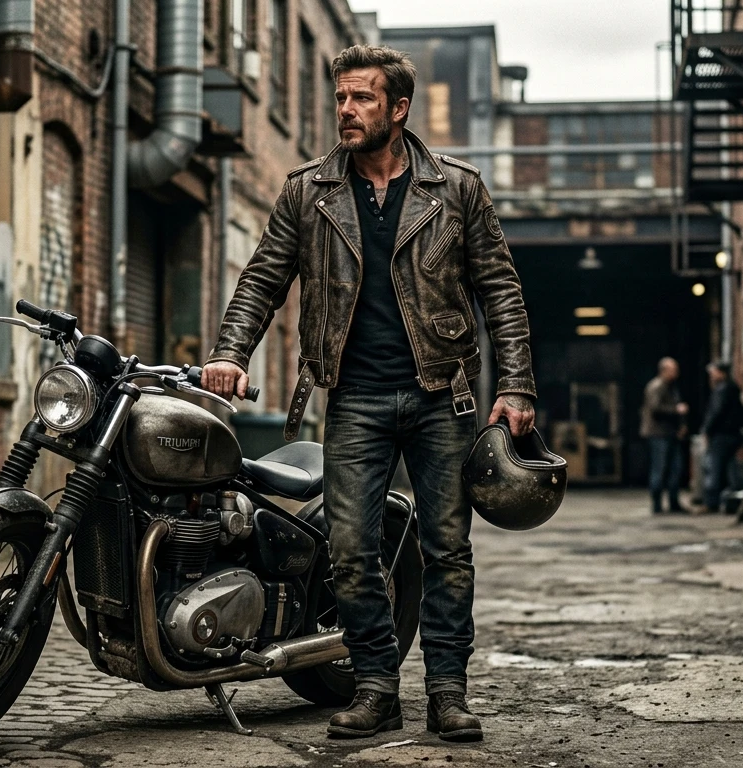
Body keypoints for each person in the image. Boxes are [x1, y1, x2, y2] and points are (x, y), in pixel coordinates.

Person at [199, 44, 536, 742]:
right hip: (351, 396)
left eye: (361, 99)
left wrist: (517, 385)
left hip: (443, 396)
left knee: (447, 549)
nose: (346, 112)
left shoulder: (457, 189)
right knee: (349, 549)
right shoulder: (308, 191)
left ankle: (447, 690)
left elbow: (500, 290)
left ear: (398, 108)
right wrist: (230, 352)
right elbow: (264, 277)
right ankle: (376, 684)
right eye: (341, 99)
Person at [641, 357, 687, 514]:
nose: (676, 373)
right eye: (673, 370)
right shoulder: (657, 386)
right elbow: (655, 408)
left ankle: (674, 503)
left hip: (670, 433)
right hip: (658, 434)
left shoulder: (671, 386)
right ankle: (657, 505)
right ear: (664, 370)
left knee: (676, 468)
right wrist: (676, 410)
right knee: (659, 469)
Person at [700, 361, 743, 514]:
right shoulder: (733, 388)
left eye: (713, 372)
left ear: (721, 373)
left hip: (721, 435)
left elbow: (716, 412)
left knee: (714, 469)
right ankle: (735, 501)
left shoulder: (722, 390)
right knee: (731, 470)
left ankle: (711, 503)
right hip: (732, 434)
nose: (711, 376)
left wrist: (707, 430)